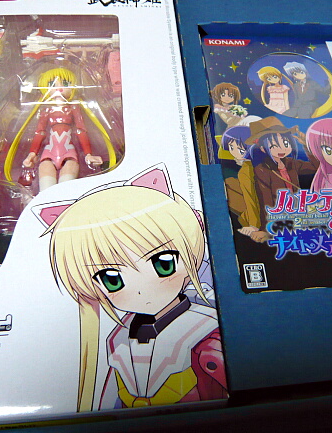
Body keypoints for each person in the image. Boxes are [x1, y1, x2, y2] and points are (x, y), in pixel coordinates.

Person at [44, 165, 227, 411]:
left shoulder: (204, 330)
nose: (141, 290)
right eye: (112, 279)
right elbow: (110, 401)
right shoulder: (118, 338)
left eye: (163, 264)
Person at [4, 67, 117, 192]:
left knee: (65, 190)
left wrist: (88, 155)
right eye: (52, 84)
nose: (59, 88)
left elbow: (81, 130)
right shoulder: (46, 109)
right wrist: (32, 153)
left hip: (69, 153)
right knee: (46, 188)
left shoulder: (74, 107)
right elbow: (40, 132)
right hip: (48, 152)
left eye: (65, 84)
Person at [246, 117, 319, 240]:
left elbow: (316, 167)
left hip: (298, 212)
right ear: (262, 148)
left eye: (285, 143)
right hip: (279, 216)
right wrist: (266, 229)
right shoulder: (262, 169)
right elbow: (265, 200)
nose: (282, 149)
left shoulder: (291, 163)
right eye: (274, 145)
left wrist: (306, 146)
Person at [220, 126, 261, 238]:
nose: (235, 153)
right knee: (230, 182)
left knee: (227, 186)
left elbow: (250, 198)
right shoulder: (259, 163)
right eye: (231, 148)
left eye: (241, 150)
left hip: (260, 214)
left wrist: (253, 225)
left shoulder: (245, 172)